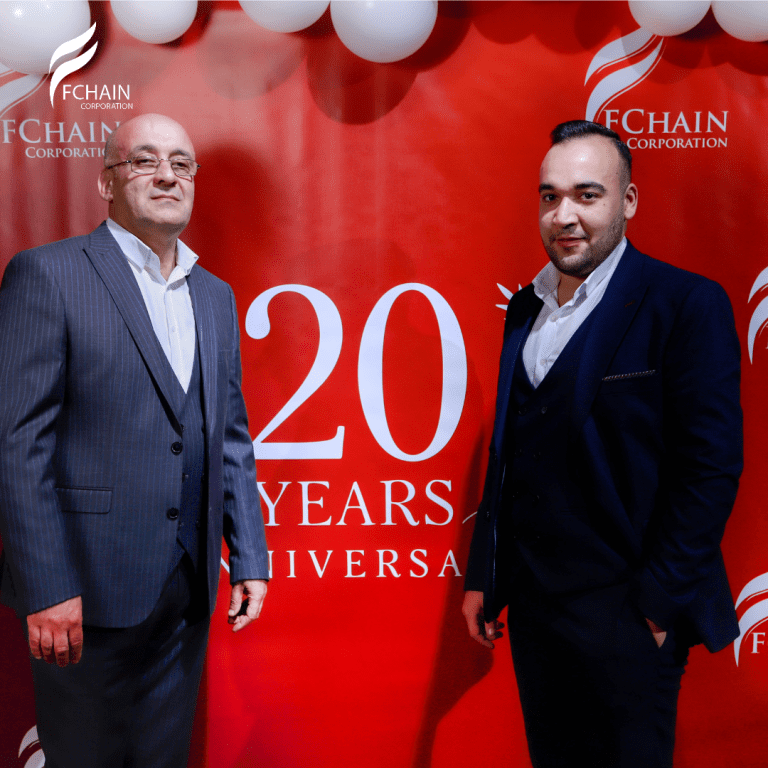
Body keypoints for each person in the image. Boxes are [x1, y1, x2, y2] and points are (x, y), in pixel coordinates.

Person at [462, 120, 742, 768]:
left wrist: (656, 606)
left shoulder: (685, 303)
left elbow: (711, 467)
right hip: (536, 612)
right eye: (550, 196)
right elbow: (508, 456)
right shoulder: (524, 309)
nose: (565, 215)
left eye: (587, 195)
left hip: (630, 615)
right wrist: (486, 576)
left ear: (628, 201)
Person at [0, 113, 270, 768]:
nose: (167, 175)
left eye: (182, 163)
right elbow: (18, 441)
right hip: (82, 592)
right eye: (145, 160)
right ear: (107, 182)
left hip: (185, 590)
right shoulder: (48, 275)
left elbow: (230, 435)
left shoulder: (215, 296)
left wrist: (250, 554)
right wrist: (47, 585)